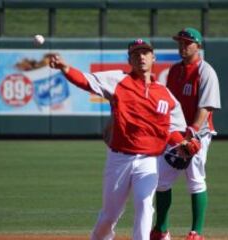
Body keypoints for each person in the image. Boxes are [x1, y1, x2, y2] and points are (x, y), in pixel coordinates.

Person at [48, 39, 201, 240]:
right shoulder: (117, 80)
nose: (141, 57)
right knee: (110, 216)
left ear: (153, 58)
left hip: (148, 161)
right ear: (129, 59)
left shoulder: (165, 95)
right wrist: (64, 67)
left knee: (146, 207)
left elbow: (172, 131)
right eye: (136, 54)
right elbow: (86, 81)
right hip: (119, 159)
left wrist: (184, 144)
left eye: (145, 53)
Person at [150, 28, 221, 240]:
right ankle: (161, 229)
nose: (182, 46)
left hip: (198, 134)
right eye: (180, 42)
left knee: (195, 180)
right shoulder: (174, 71)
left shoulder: (205, 71)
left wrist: (192, 132)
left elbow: (206, 107)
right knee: (161, 180)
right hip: (175, 134)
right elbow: (170, 103)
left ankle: (196, 232)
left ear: (197, 46)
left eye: (187, 43)